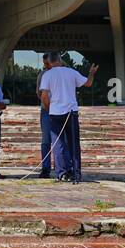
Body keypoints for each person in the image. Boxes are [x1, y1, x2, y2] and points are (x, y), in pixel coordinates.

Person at [38, 52, 98, 182]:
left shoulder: (47, 75)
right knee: (74, 144)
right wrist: (91, 72)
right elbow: (88, 83)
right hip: (71, 113)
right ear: (60, 60)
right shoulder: (71, 72)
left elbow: (44, 96)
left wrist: (50, 109)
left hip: (55, 113)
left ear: (50, 62)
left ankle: (62, 173)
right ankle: (76, 172)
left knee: (58, 144)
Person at [37, 53, 54, 178]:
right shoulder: (42, 75)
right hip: (46, 111)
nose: (46, 66)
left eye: (48, 63)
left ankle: (62, 168)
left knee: (61, 140)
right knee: (46, 140)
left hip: (59, 110)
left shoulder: (60, 73)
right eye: (44, 64)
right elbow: (39, 92)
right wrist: (47, 104)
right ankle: (45, 168)